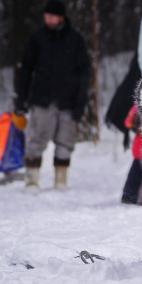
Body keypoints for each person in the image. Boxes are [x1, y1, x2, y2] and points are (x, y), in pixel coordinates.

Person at [14, 0, 90, 188]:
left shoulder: (75, 40)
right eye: (46, 15)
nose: (48, 19)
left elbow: (84, 74)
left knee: (65, 142)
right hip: (41, 99)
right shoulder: (37, 38)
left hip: (69, 101)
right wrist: (21, 99)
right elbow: (25, 71)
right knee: (36, 140)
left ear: (61, 17)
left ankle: (61, 182)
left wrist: (80, 102)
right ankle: (32, 181)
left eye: (52, 15)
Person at [121, 105, 142, 205]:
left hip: (138, 145)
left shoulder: (136, 107)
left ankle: (128, 195)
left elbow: (127, 122)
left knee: (135, 172)